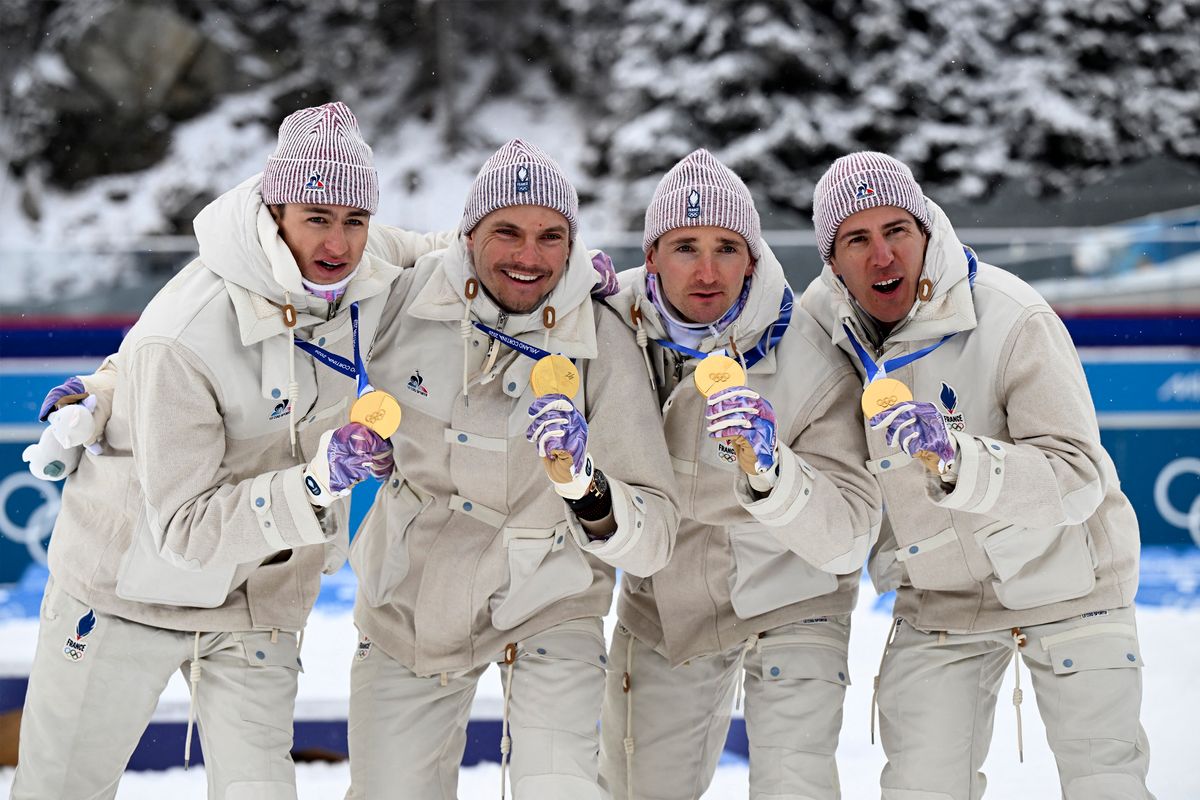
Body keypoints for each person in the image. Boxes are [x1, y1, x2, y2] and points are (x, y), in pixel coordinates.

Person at [13, 102, 450, 800]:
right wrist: (313, 487)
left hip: (259, 597)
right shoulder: (183, 335)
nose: (338, 243)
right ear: (275, 210)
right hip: (127, 592)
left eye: (354, 220)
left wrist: (572, 278)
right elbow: (184, 528)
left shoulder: (365, 263)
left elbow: (453, 253)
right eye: (317, 218)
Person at [800, 151, 1155, 800]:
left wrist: (963, 461)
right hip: (942, 601)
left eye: (897, 231)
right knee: (919, 788)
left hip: (1072, 582)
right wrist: (618, 305)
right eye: (858, 239)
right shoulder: (817, 333)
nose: (883, 256)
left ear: (926, 232)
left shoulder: (1014, 315)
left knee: (1108, 785)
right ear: (832, 262)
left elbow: (1075, 477)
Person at [343, 139, 679, 799]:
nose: (530, 257)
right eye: (508, 232)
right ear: (468, 236)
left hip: (550, 599)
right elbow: (320, 250)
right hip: (408, 600)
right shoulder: (402, 299)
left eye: (552, 237)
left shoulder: (601, 335)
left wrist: (590, 491)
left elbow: (658, 531)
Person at [597, 149, 881, 800]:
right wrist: (557, 290)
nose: (706, 269)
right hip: (669, 596)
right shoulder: (609, 325)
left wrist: (774, 472)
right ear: (652, 256)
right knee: (636, 788)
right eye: (685, 246)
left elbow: (848, 536)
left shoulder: (812, 354)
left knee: (793, 785)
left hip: (794, 592)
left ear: (752, 258)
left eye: (727, 247)